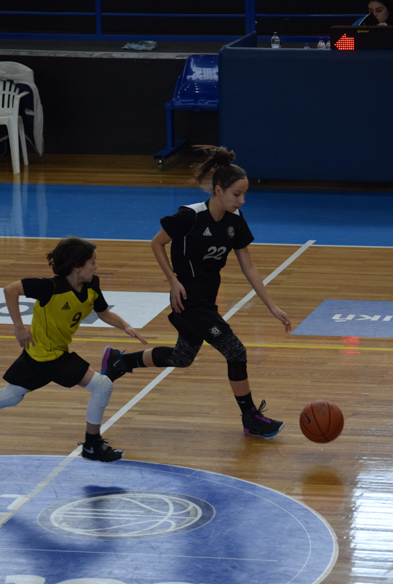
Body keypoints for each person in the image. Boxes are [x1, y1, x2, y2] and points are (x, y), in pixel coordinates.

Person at [101, 146, 292, 439]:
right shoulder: (190, 216)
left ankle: (120, 362)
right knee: (236, 351)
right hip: (188, 300)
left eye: (244, 194)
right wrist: (172, 281)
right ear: (219, 190)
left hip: (207, 298)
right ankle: (250, 417)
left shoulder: (235, 220)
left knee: (182, 357)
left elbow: (249, 267)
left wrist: (272, 306)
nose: (241, 200)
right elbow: (156, 243)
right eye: (236, 194)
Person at [0, 237, 147, 462]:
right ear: (77, 266)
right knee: (102, 386)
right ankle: (92, 445)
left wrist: (126, 326)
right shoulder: (50, 288)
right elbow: (10, 290)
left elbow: (103, 313)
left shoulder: (92, 285)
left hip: (39, 354)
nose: (96, 266)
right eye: (93, 262)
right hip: (49, 357)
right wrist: (19, 327)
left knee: (11, 396)